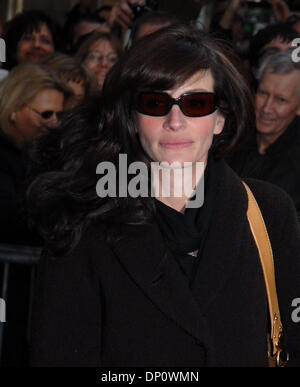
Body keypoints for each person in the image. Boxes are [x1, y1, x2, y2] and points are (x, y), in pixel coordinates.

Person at [28, 24, 300, 367]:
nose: (176, 120)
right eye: (156, 103)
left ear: (220, 119)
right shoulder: (83, 225)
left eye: (196, 103)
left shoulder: (269, 214)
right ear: (132, 117)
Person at [0, 63, 69, 366]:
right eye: (45, 114)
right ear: (14, 108)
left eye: (59, 115)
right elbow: (11, 217)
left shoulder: (45, 155)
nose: (53, 123)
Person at [227, 50, 300, 218]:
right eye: (263, 93)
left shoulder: (295, 162)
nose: (267, 108)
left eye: (281, 100)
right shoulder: (233, 133)